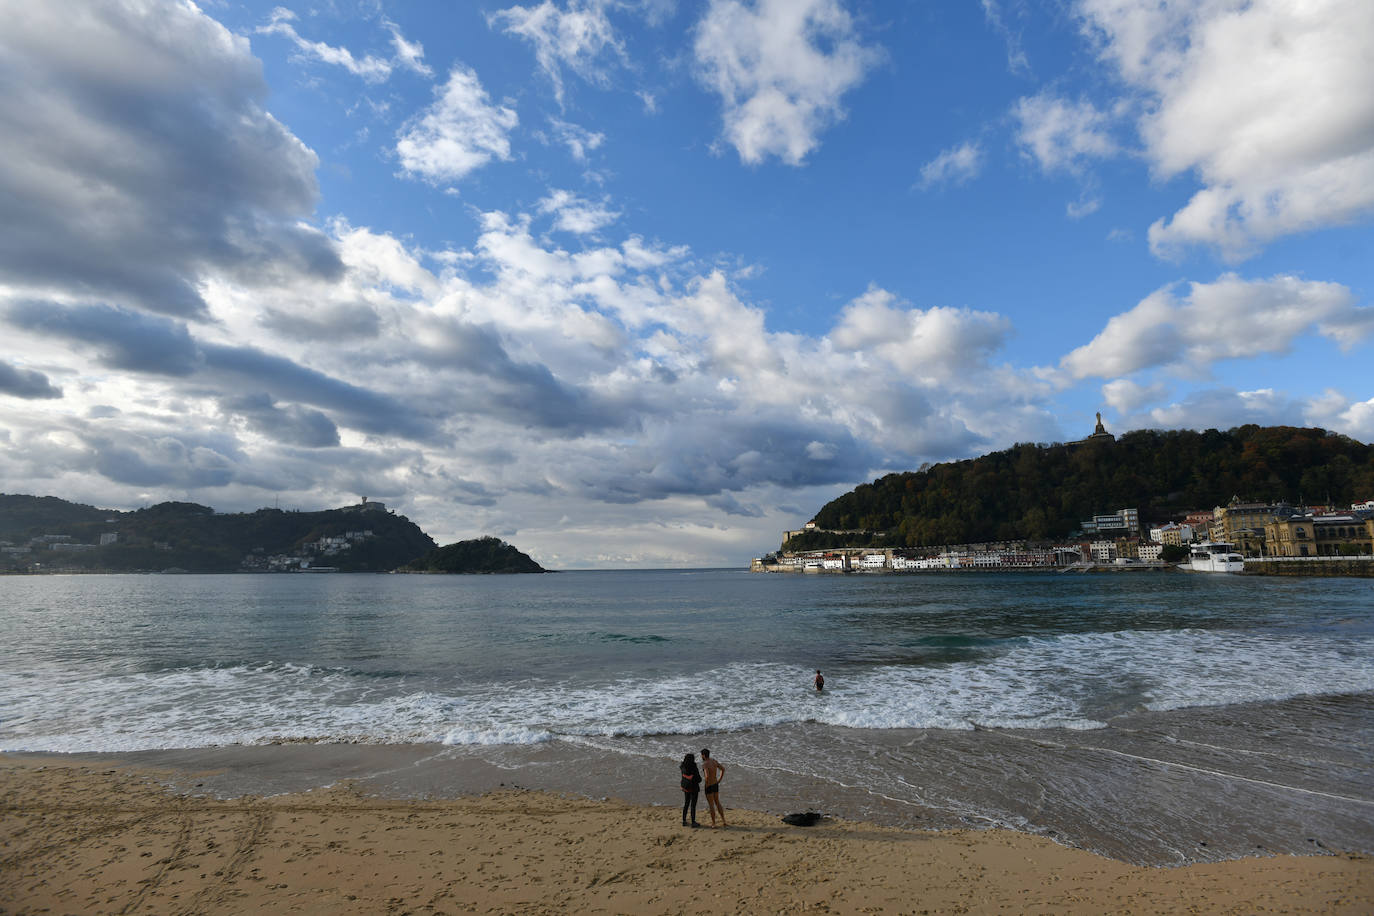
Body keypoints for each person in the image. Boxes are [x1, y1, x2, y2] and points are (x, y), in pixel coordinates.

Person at [700, 748, 726, 827]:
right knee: (717, 802)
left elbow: (707, 776)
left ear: (704, 755)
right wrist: (719, 779)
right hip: (715, 784)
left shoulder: (705, 764)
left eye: (701, 755)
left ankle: (714, 823)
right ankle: (724, 820)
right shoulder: (714, 761)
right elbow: (723, 769)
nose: (701, 756)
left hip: (709, 785)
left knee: (711, 805)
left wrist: (707, 784)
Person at [679, 752, 701, 827]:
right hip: (693, 788)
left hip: (685, 787)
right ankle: (693, 822)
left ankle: (684, 821)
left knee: (686, 804)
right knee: (693, 806)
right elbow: (699, 779)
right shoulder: (694, 768)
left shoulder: (682, 767)